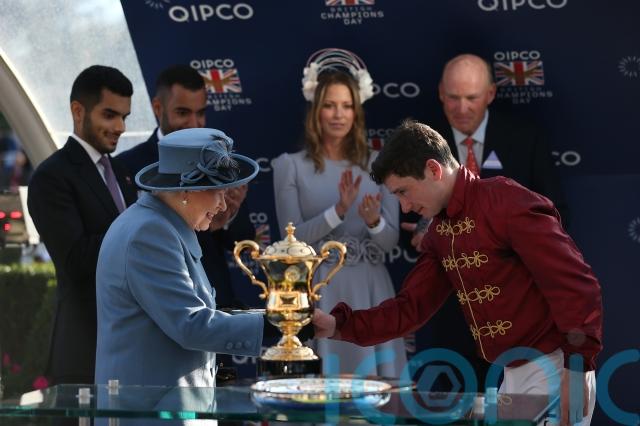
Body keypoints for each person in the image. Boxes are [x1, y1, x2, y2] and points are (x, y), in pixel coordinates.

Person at [314, 120, 602, 426]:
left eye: (404, 191)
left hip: (557, 368)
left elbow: (576, 286)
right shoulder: (440, 232)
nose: (405, 207)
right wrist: (337, 325)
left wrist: (576, 368)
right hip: (515, 374)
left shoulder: (506, 201)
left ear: (433, 169)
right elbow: (409, 308)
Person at [403, 53, 571, 389]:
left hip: (518, 312)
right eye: (453, 97)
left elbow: (555, 216)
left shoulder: (526, 138)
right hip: (449, 312)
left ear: (490, 94)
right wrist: (421, 233)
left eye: (471, 98)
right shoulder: (416, 146)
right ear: (440, 94)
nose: (462, 107)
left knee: (518, 409)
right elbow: (404, 216)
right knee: (453, 406)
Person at [95, 127, 265, 387]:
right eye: (218, 192)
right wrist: (278, 325)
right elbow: (191, 324)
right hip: (152, 406)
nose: (223, 205)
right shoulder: (151, 233)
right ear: (187, 192)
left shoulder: (161, 225)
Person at [272, 48, 406, 376]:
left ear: (357, 111)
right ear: (316, 110)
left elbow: (389, 243)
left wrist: (374, 221)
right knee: (325, 390)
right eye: (330, 105)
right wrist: (339, 211)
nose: (338, 114)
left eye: (347, 106)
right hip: (320, 288)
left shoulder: (381, 164)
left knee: (377, 389)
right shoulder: (290, 166)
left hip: (371, 289)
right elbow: (291, 240)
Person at [27, 65, 138, 385]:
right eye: (109, 115)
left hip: (134, 347)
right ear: (78, 111)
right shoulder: (51, 177)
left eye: (124, 117)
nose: (119, 127)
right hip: (85, 351)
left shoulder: (123, 173)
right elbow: (75, 260)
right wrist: (140, 233)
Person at [116, 64, 254, 309]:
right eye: (182, 112)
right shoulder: (128, 166)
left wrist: (227, 218)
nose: (194, 123)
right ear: (158, 108)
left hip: (220, 302)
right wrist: (203, 225)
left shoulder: (220, 160)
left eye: (200, 113)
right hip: (164, 308)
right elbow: (138, 244)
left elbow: (244, 238)